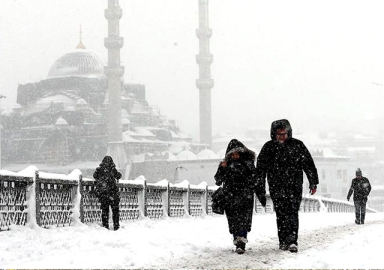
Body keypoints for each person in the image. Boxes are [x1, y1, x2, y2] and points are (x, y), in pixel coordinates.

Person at [256, 119, 319, 253]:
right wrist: (259, 187)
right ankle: (283, 241)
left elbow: (308, 164)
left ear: (289, 133)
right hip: (276, 186)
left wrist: (313, 182)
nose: (282, 137)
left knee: (292, 212)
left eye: (284, 134)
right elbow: (260, 170)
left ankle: (292, 240)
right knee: (281, 213)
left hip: (294, 186)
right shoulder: (268, 148)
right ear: (274, 134)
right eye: (279, 134)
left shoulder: (297, 145)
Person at [214, 139, 266, 255]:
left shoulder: (248, 164)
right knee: (233, 220)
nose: (235, 155)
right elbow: (218, 180)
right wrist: (222, 168)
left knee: (243, 220)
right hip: (230, 197)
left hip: (245, 197)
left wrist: (260, 194)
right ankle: (237, 239)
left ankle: (241, 241)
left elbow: (256, 181)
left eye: (237, 152)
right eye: (232, 153)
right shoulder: (226, 165)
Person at [93, 155, 122, 231]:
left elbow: (95, 176)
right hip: (113, 193)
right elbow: (119, 176)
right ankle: (116, 226)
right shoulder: (112, 170)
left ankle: (105, 226)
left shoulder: (99, 170)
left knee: (105, 211)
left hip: (104, 194)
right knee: (115, 211)